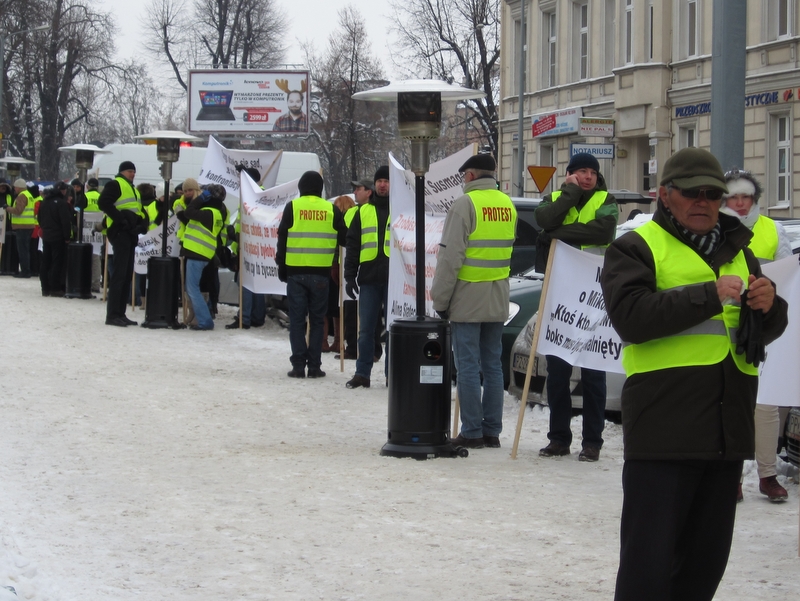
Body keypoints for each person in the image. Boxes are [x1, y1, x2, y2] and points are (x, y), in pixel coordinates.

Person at [600, 147, 788, 601]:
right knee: (648, 571)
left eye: (713, 194)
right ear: (666, 195)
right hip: (664, 433)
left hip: (725, 432)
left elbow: (757, 331)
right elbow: (631, 317)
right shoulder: (636, 245)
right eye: (692, 193)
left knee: (703, 571)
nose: (703, 202)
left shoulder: (738, 248)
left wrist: (770, 307)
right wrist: (708, 294)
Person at [534, 152, 618, 461]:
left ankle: (592, 442)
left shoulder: (606, 200)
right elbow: (543, 219)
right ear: (569, 175)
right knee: (558, 372)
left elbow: (603, 232)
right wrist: (568, 195)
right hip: (562, 296)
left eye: (591, 173)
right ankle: (559, 438)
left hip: (594, 298)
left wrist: (555, 234)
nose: (587, 177)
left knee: (593, 373)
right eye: (580, 172)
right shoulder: (555, 196)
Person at [431, 154, 517, 448]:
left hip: (468, 295)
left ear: (469, 175)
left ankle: (472, 432)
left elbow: (450, 257)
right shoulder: (508, 204)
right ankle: (492, 431)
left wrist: (439, 299)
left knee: (467, 366)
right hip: (498, 294)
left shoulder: (465, 204)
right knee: (493, 365)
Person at [721, 168, 791, 503]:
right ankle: (731, 476)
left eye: (744, 196)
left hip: (765, 328)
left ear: (753, 199)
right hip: (731, 329)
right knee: (732, 404)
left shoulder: (773, 230)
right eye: (732, 196)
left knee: (765, 407)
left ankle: (767, 475)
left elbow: (788, 276)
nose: (738, 203)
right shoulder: (716, 231)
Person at [276, 171, 347, 378]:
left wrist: (282, 265)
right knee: (317, 320)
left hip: (295, 272)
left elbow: (282, 236)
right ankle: (314, 366)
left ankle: (298, 365)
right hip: (321, 275)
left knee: (297, 321)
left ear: (301, 187)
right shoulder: (331, 209)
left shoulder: (293, 207)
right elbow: (344, 238)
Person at [344, 166, 392, 388]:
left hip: (395, 281)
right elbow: (352, 246)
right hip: (369, 278)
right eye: (379, 180)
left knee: (393, 330)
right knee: (365, 330)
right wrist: (349, 275)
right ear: (374, 185)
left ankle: (393, 374)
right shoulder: (362, 212)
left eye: (387, 181)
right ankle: (362, 373)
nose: (383, 184)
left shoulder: (402, 210)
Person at [98, 161, 147, 327]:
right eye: (129, 171)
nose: (132, 174)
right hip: (120, 233)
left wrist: (140, 225)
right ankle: (112, 315)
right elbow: (103, 203)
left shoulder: (133, 189)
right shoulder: (116, 184)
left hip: (129, 234)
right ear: (122, 172)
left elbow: (139, 211)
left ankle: (120, 313)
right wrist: (121, 220)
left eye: (134, 171)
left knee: (126, 275)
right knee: (119, 275)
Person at [176, 184, 228, 331]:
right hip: (203, 253)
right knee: (194, 288)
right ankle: (203, 318)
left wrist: (199, 199)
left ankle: (205, 321)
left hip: (197, 252)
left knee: (192, 289)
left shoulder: (208, 212)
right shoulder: (217, 212)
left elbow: (188, 212)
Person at [336, 178, 374, 360]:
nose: (355, 192)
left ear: (369, 192)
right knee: (350, 311)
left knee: (369, 315)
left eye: (359, 189)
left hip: (370, 269)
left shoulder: (375, 211)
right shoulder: (351, 213)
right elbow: (344, 240)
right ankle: (352, 347)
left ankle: (372, 351)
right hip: (353, 267)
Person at [37, 182, 73, 297]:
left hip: (47, 235)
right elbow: (65, 221)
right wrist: (67, 237)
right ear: (62, 191)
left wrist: (45, 228)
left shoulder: (45, 202)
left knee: (45, 261)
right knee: (57, 262)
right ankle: (55, 287)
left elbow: (39, 218)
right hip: (58, 236)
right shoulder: (61, 203)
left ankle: (45, 288)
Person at [4, 179, 37, 278]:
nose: (14, 189)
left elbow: (18, 211)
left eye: (15, 187)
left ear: (19, 187)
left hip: (22, 226)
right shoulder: (29, 195)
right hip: (29, 225)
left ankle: (25, 271)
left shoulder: (22, 196)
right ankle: (27, 270)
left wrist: (7, 208)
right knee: (26, 249)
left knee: (22, 250)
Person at [84, 178, 102, 293]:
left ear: (87, 186)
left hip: (85, 231)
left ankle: (85, 282)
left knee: (84, 258)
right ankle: (96, 284)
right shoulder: (101, 197)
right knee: (96, 259)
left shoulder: (84, 197)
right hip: (99, 232)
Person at [0, 178, 19, 275]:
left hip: (8, 224)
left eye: (4, 186)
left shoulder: (10, 196)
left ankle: (6, 266)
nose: (2, 188)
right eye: (1, 186)